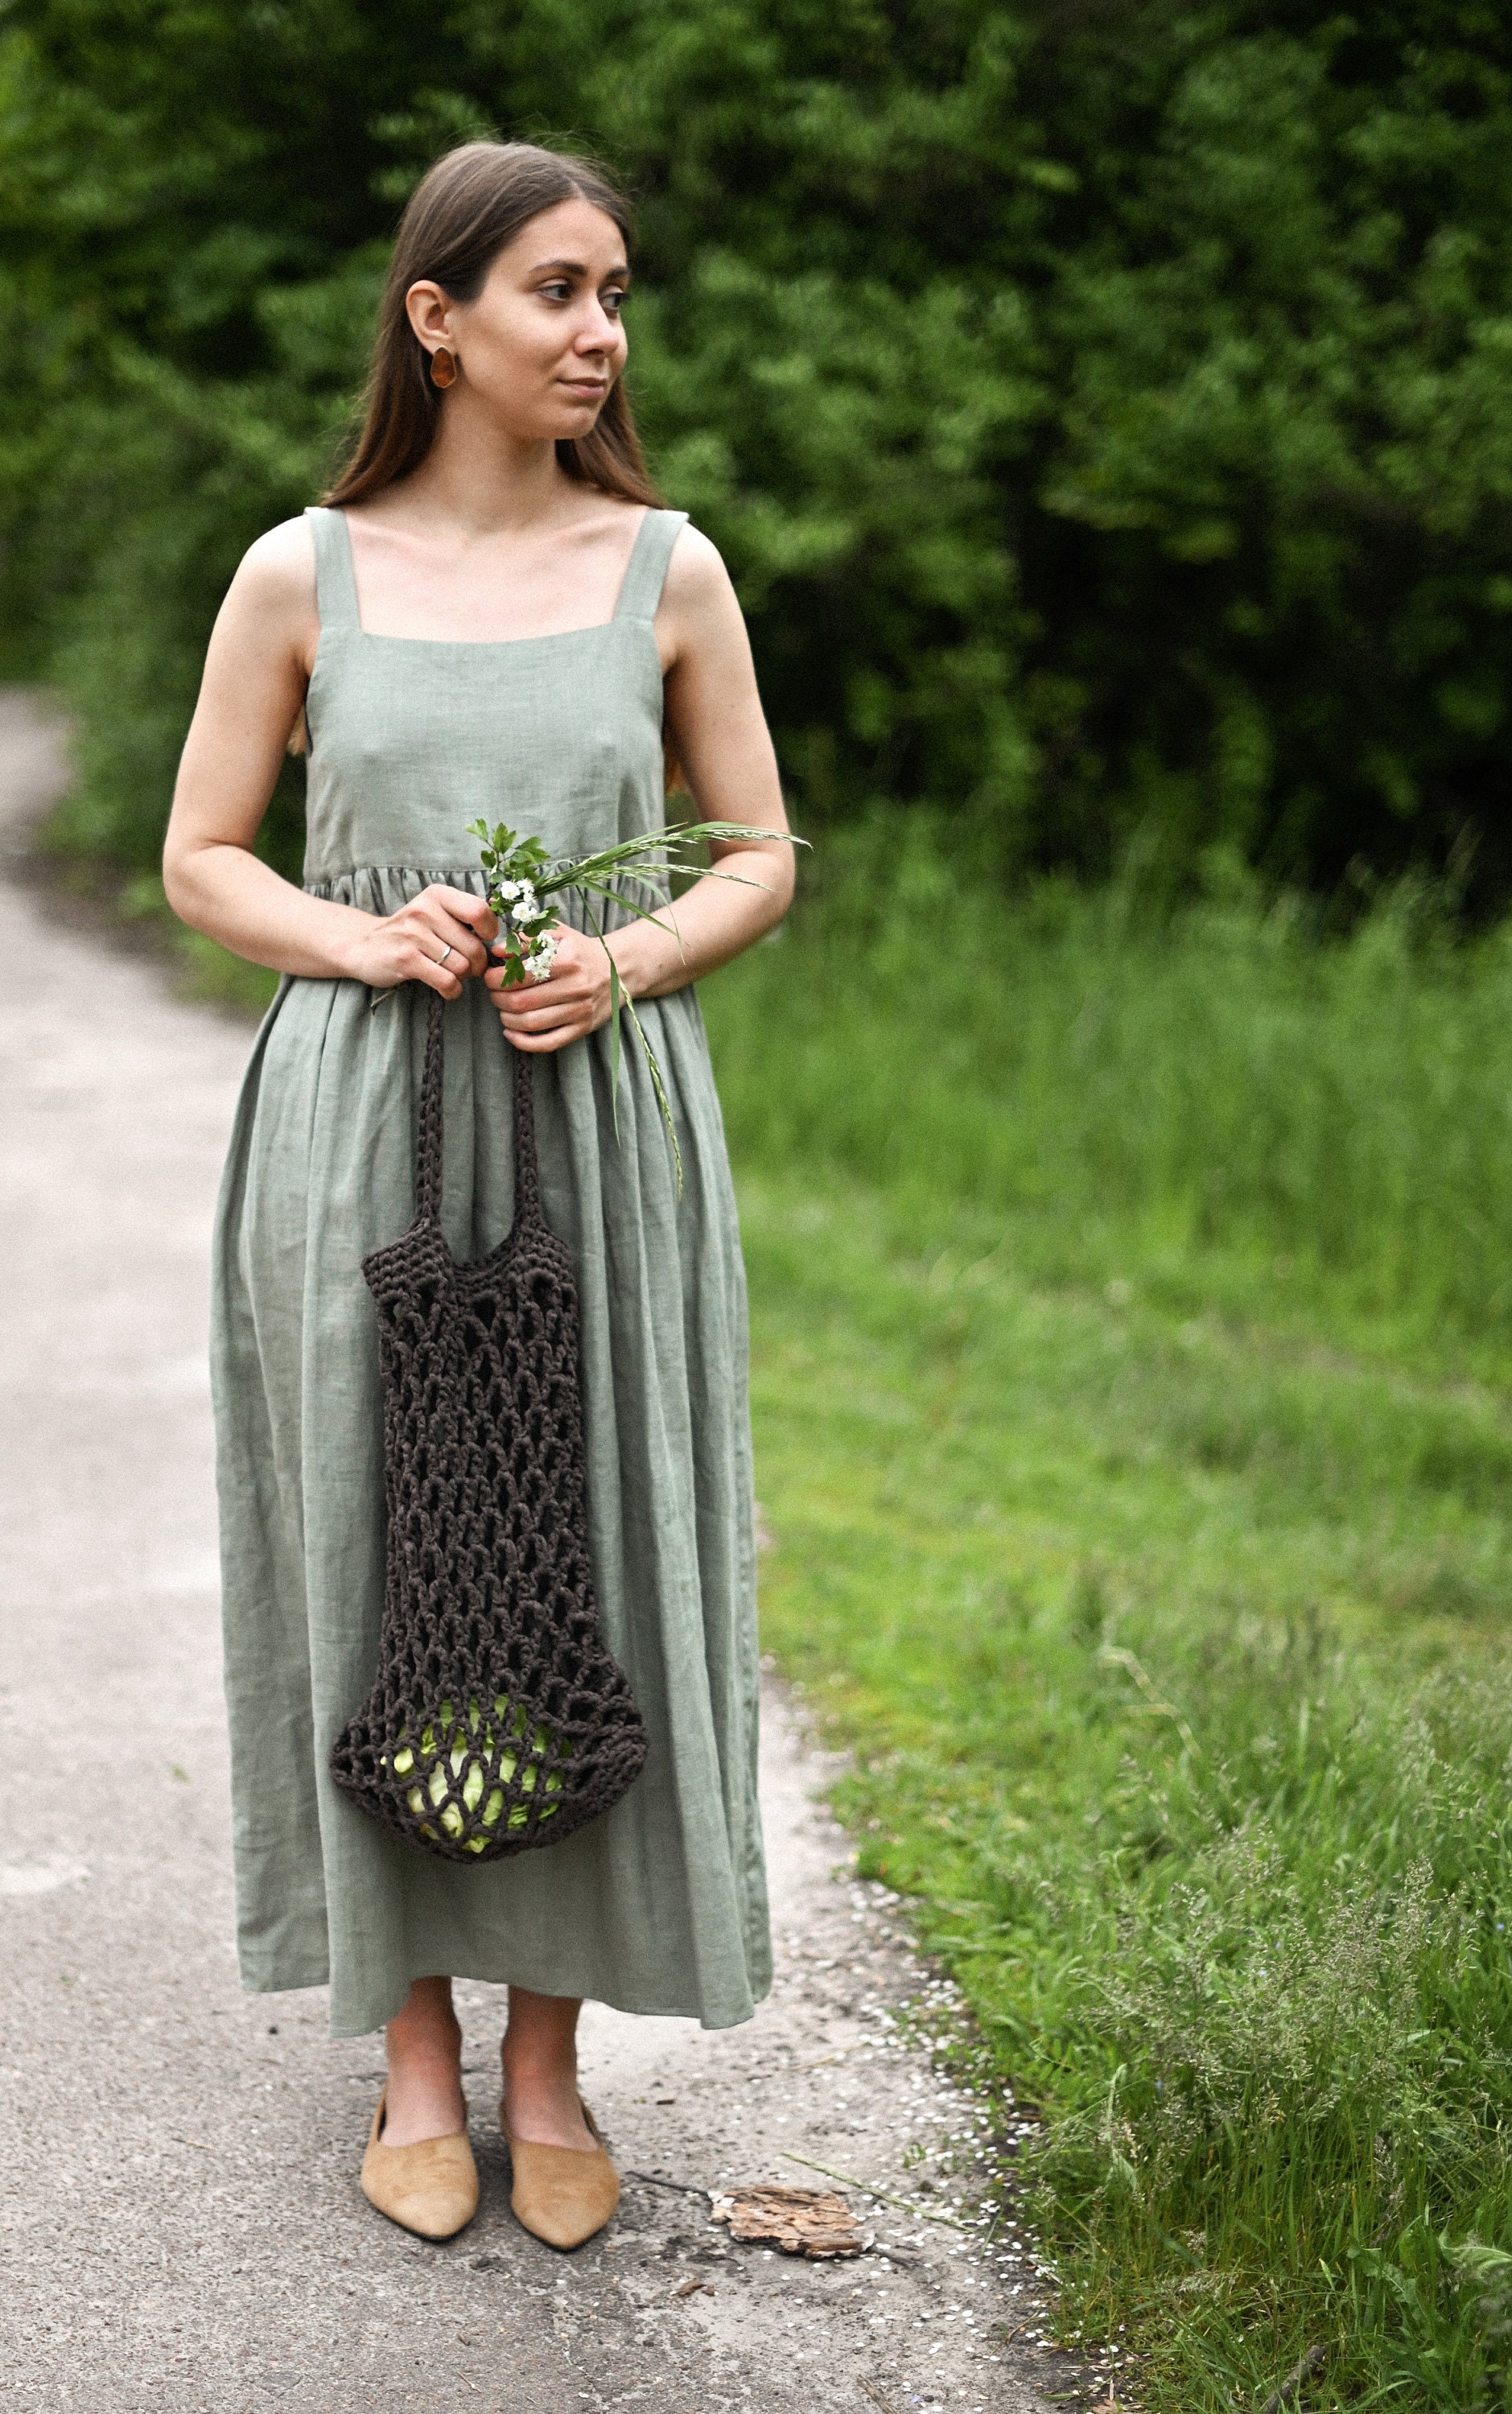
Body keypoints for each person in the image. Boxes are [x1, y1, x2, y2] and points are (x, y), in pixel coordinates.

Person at [162, 139, 792, 2250]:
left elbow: (756, 857)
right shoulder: (299, 572)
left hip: (601, 1123)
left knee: (581, 1550)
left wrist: (617, 958)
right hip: (358, 1129)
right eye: (554, 288)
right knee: (380, 1550)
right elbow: (203, 859)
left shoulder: (667, 567)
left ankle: (551, 2059)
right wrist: (362, 939)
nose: (599, 329)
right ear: (436, 321)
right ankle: (411, 2053)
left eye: (613, 287)